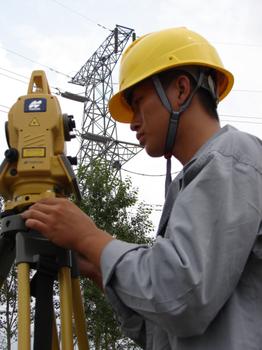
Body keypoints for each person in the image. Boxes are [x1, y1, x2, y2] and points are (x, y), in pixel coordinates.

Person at [21, 27, 262, 349]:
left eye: (137, 102)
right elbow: (165, 334)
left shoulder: (232, 159)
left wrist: (92, 239)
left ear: (180, 90)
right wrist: (100, 269)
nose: (131, 121)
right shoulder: (196, 180)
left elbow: (183, 298)